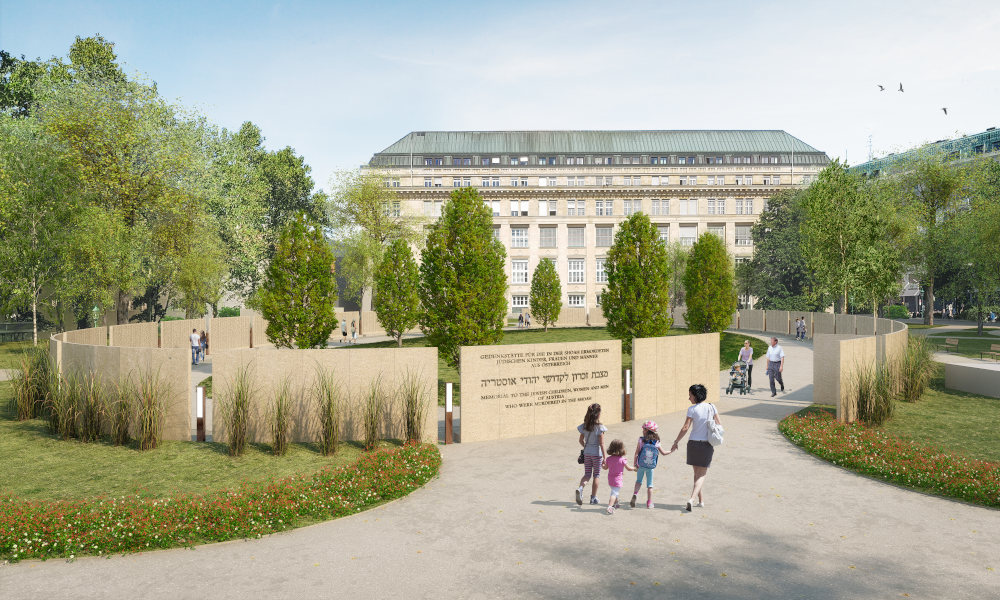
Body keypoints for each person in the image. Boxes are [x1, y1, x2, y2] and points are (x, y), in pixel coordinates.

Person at [670, 384, 722, 512]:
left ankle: (701, 501)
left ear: (695, 396)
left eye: (690, 395)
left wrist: (676, 441)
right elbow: (719, 424)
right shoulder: (712, 407)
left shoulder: (692, 409)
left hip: (692, 444)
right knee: (702, 475)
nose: (689, 398)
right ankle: (691, 499)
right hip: (706, 444)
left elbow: (685, 428)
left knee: (696, 474)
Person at [629, 420, 671, 509]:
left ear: (647, 430)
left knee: (638, 481)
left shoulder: (641, 440)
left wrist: (635, 464)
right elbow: (663, 453)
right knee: (650, 485)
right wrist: (672, 450)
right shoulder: (656, 442)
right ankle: (649, 503)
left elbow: (636, 453)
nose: (642, 430)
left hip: (641, 465)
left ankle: (635, 494)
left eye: (644, 429)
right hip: (650, 467)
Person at [575, 403, 607, 506]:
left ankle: (580, 489)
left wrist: (586, 446)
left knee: (587, 474)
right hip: (597, 454)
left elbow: (580, 440)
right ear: (598, 414)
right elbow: (602, 444)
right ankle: (593, 498)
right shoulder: (600, 428)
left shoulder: (585, 425)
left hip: (587, 452)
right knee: (596, 475)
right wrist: (605, 457)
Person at [602, 439, 635, 514]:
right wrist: (635, 468)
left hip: (610, 479)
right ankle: (610, 506)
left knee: (614, 491)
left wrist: (602, 464)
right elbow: (629, 468)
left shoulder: (609, 459)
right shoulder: (622, 459)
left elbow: (605, 468)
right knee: (614, 493)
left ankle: (616, 503)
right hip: (618, 480)